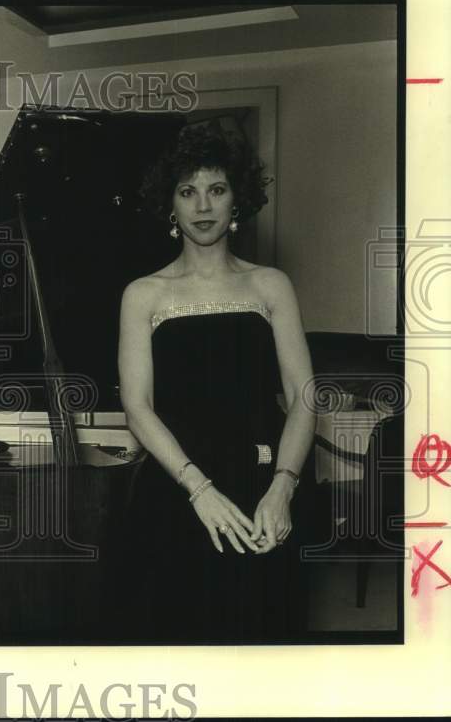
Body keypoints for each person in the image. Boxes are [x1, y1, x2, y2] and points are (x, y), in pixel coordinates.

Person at [117, 122, 315, 643]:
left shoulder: (271, 285)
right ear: (170, 206)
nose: (202, 205)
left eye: (216, 189)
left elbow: (303, 398)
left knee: (262, 644)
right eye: (188, 192)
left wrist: (283, 488)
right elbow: (137, 407)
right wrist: (198, 489)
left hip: (263, 484)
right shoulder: (142, 294)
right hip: (176, 486)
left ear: (237, 202)